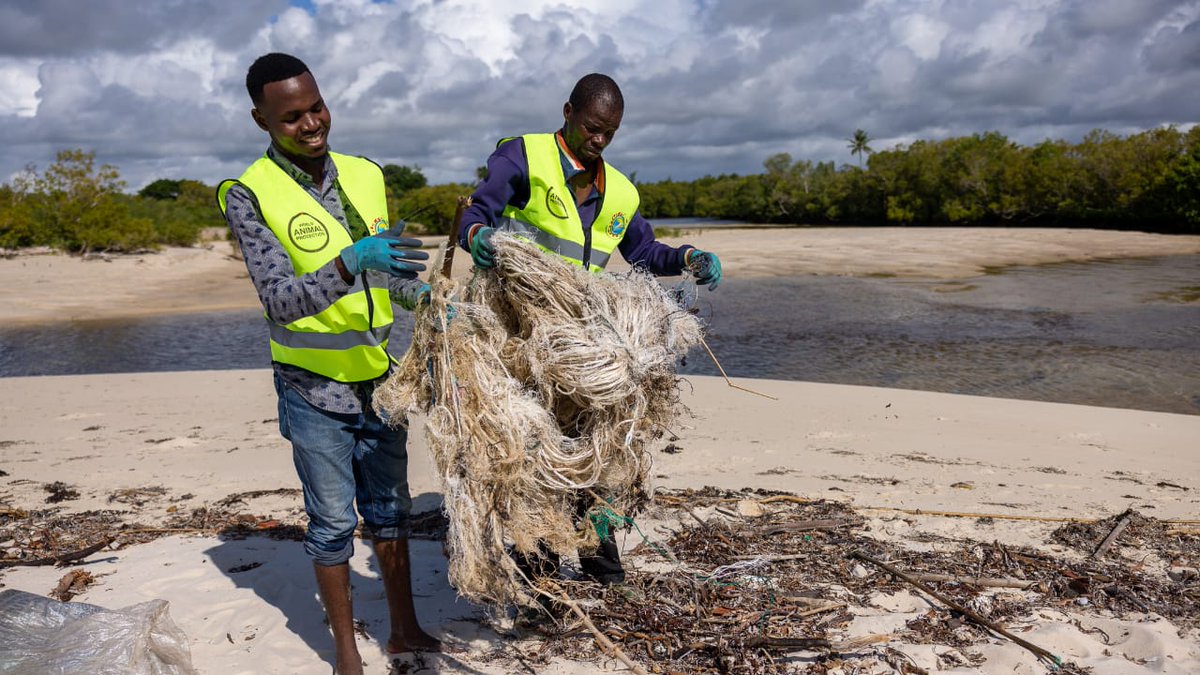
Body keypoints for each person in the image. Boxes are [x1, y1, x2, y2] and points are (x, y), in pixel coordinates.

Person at [216, 53, 438, 674]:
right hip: (312, 390)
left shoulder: (366, 175)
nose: (311, 123)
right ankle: (344, 653)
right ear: (261, 119)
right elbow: (282, 303)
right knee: (333, 522)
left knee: (393, 511)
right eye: (291, 117)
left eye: (316, 107)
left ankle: (405, 628)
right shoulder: (248, 194)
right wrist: (350, 262)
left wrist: (426, 298)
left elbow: (386, 278)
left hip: (380, 380)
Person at [458, 73, 723, 588]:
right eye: (592, 127)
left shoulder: (620, 190)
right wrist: (476, 235)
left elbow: (644, 253)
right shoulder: (522, 157)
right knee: (536, 460)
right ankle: (542, 576)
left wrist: (688, 257)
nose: (599, 140)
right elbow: (477, 209)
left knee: (600, 454)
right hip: (523, 340)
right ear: (568, 112)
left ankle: (602, 565)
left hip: (588, 347)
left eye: (610, 132)